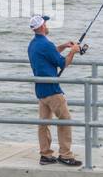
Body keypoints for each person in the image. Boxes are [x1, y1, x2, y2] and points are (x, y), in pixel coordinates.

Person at [26, 15, 84, 166]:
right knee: (65, 120)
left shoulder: (33, 44)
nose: (47, 25)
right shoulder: (46, 44)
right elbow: (62, 63)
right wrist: (74, 51)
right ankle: (65, 155)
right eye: (46, 23)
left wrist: (64, 46)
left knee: (43, 124)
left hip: (41, 90)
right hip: (52, 90)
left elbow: (50, 54)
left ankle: (45, 155)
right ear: (42, 26)